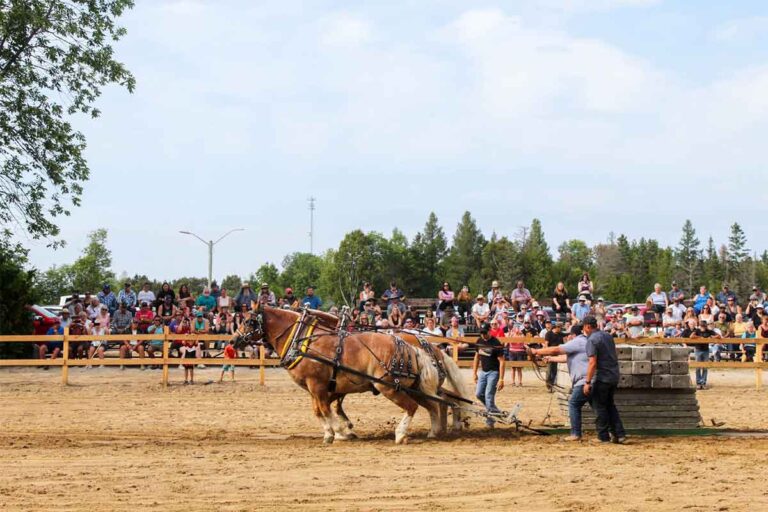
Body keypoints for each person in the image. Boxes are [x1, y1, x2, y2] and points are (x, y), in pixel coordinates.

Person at [531, 324, 589, 441]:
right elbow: (567, 358)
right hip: (589, 379)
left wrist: (537, 351)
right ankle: (613, 432)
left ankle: (575, 434)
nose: (568, 338)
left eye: (569, 335)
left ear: (573, 335)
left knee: (573, 403)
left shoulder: (577, 342)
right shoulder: (585, 342)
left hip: (583, 380)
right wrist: (551, 359)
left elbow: (556, 349)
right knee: (600, 406)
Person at [583, 316, 626, 444]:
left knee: (599, 406)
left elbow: (592, 362)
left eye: (584, 327)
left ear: (587, 326)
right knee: (610, 406)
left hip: (602, 377)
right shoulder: (607, 336)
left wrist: (587, 382)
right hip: (614, 375)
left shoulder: (592, 340)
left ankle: (603, 436)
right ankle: (620, 434)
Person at [472, 324, 505, 428]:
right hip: (483, 371)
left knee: (488, 396)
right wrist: (474, 373)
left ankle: (490, 423)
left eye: (485, 333)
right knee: (478, 394)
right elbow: (476, 357)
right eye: (481, 333)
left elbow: (502, 361)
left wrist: (501, 379)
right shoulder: (479, 341)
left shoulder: (496, 343)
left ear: (489, 331)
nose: (483, 335)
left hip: (493, 372)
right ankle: (496, 412)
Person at [688, 319, 719, 389]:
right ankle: (698, 383)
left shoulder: (709, 331)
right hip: (698, 349)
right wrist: (700, 337)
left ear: (706, 326)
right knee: (698, 367)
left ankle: (703, 382)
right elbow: (691, 336)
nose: (703, 327)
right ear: (700, 326)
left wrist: (711, 337)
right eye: (702, 326)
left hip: (706, 350)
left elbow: (719, 336)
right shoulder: (697, 330)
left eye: (704, 326)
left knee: (705, 367)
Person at [543, 322, 565, 389]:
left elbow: (562, 344)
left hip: (557, 354)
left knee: (554, 370)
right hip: (550, 353)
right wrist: (546, 353)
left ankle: (552, 384)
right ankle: (548, 384)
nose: (560, 329)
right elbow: (546, 344)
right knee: (549, 370)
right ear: (556, 327)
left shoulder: (560, 334)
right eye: (560, 328)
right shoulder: (549, 334)